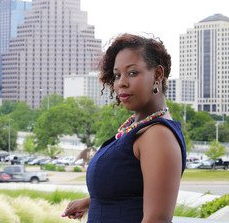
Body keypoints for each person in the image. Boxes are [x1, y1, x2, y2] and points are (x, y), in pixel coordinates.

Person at [62, 33, 187, 223]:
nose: (122, 82)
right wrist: (92, 202)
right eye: (117, 75)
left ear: (158, 74)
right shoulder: (139, 127)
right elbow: (130, 188)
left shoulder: (158, 135)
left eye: (132, 72)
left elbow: (157, 219)